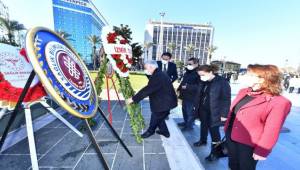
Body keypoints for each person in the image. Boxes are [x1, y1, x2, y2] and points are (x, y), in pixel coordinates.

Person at [224, 64, 291, 170]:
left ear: (264, 79)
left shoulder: (279, 102)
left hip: (249, 144)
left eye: (251, 75)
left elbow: (272, 130)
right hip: (231, 136)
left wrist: (262, 150)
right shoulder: (244, 91)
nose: (245, 76)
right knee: (232, 165)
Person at [189, 65, 231, 161]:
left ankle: (215, 153)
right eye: (199, 75)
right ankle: (202, 141)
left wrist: (224, 115)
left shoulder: (222, 82)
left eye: (202, 75)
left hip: (215, 111)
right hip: (203, 109)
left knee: (214, 132)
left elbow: (226, 99)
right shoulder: (204, 81)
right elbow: (200, 94)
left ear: (210, 72)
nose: (201, 77)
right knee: (203, 126)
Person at [126, 60, 177, 138]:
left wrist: (133, 99)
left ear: (151, 67)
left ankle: (150, 131)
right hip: (165, 101)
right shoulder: (159, 73)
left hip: (164, 103)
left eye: (146, 68)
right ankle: (165, 132)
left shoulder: (158, 76)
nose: (145, 70)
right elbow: (153, 86)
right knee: (160, 118)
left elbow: (147, 90)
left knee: (155, 117)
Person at [177, 58, 200, 131]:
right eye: (187, 64)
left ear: (196, 64)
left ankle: (189, 126)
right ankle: (186, 122)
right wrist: (179, 89)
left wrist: (188, 87)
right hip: (185, 95)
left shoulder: (199, 73)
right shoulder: (188, 71)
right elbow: (183, 81)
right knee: (184, 110)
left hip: (192, 96)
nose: (188, 65)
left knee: (190, 112)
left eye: (190, 64)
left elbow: (199, 86)